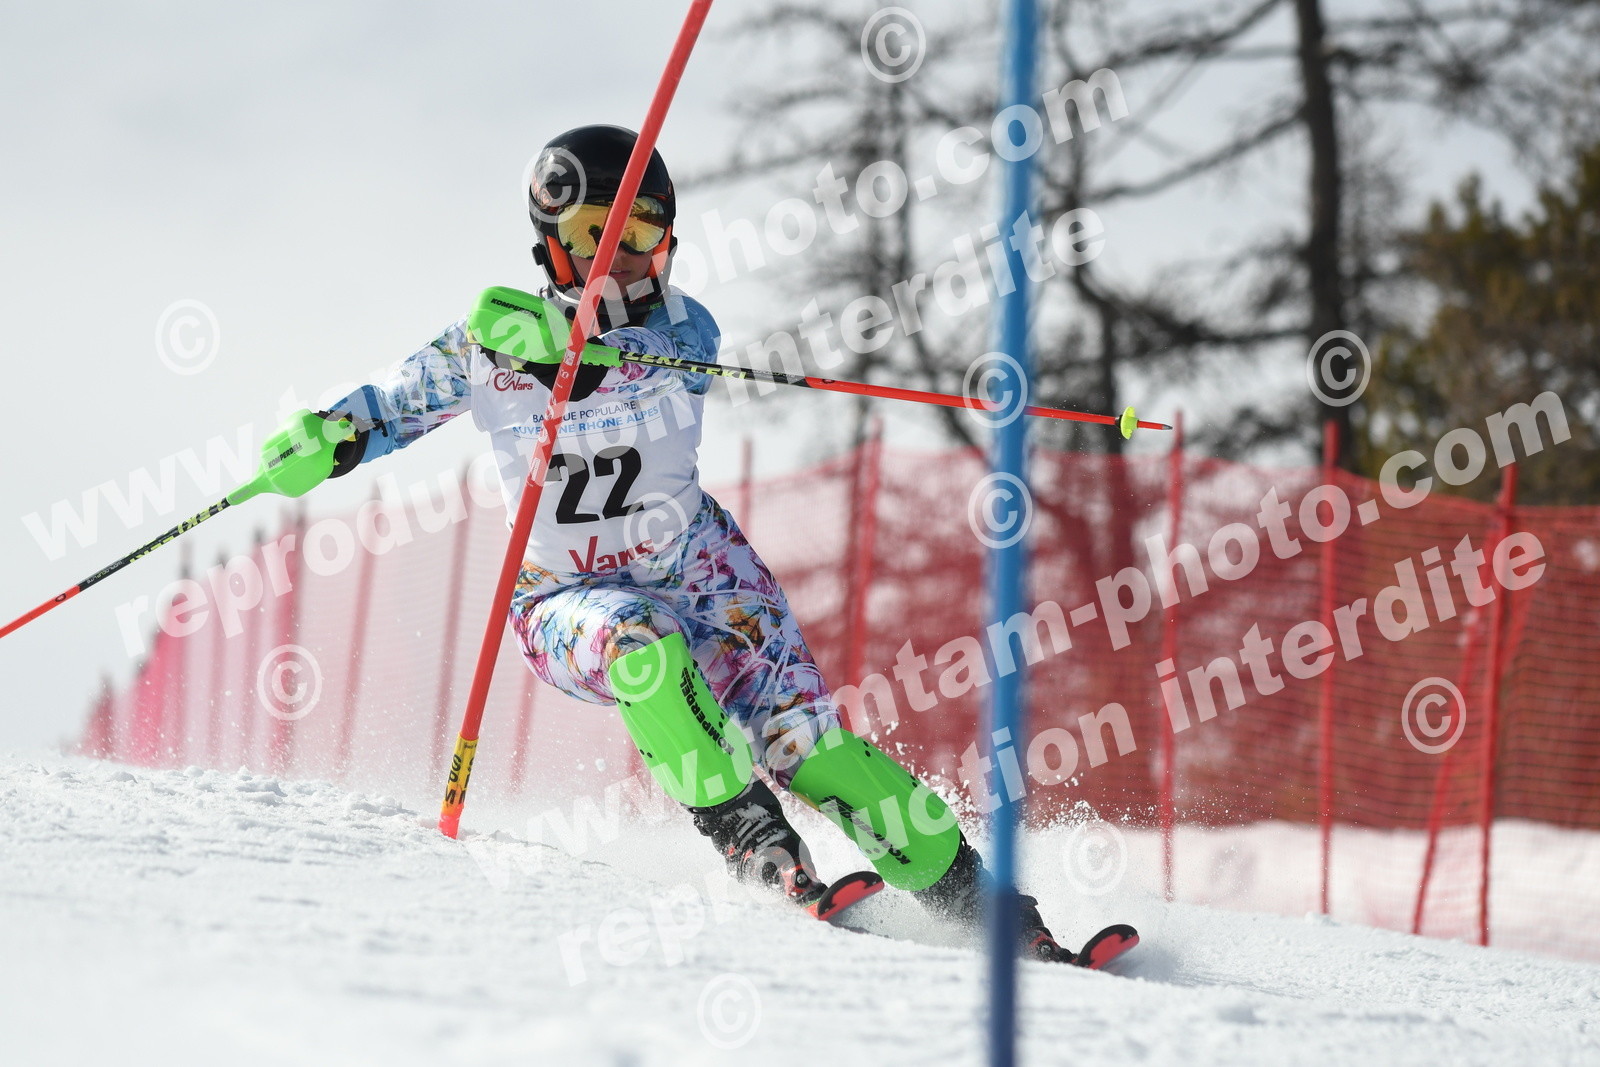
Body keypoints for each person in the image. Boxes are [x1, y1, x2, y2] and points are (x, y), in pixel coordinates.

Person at [308, 124, 1071, 961]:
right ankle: (753, 837)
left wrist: (571, 356)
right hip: (563, 595)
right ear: (550, 240)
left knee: (813, 747)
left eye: (639, 234)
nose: (618, 258)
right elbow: (388, 406)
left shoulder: (684, 329)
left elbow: (637, 360)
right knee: (639, 646)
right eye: (593, 234)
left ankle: (975, 899)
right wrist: (325, 436)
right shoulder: (482, 346)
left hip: (704, 572)